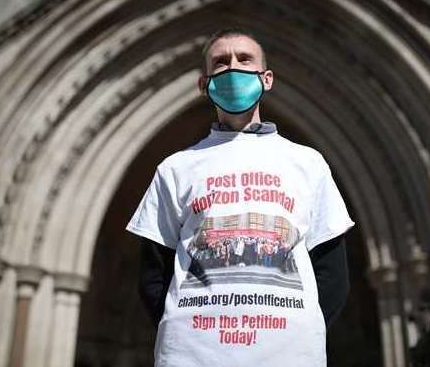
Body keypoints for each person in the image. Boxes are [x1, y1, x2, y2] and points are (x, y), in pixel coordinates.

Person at [126, 28, 354, 366]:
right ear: (204, 84)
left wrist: (300, 329)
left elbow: (332, 271)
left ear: (267, 79)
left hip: (287, 353)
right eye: (220, 62)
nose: (232, 68)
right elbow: (153, 272)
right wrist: (186, 328)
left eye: (244, 59)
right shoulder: (175, 168)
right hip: (193, 354)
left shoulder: (308, 163)